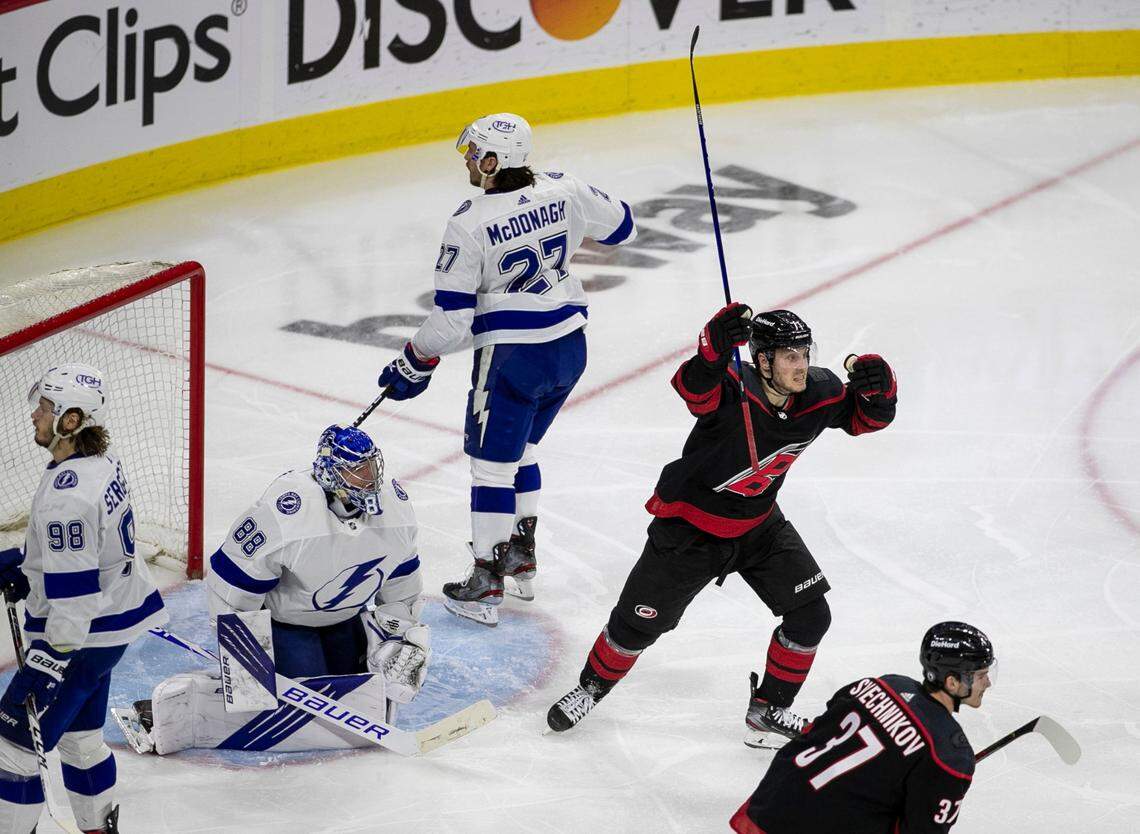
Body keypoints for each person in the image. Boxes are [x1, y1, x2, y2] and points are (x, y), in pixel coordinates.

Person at [546, 305, 898, 746]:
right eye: (789, 356)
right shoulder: (733, 386)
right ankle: (589, 689)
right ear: (762, 360)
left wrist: (881, 391)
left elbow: (869, 420)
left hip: (758, 524)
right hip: (690, 529)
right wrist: (712, 348)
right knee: (636, 626)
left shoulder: (819, 392)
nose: (801, 365)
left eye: (804, 353)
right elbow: (693, 389)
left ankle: (769, 709)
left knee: (811, 615)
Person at [377, 112, 637, 627]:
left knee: (492, 466)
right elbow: (624, 227)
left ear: (495, 160)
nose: (469, 161)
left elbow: (452, 323)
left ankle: (485, 580)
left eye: (475, 153)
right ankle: (520, 558)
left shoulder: (469, 221)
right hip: (569, 349)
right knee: (526, 451)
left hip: (515, 360)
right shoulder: (564, 187)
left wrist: (414, 359)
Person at [114, 424, 430, 755]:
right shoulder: (288, 512)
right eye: (355, 470)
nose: (369, 478)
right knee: (287, 701)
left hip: (346, 618)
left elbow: (402, 581)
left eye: (370, 467)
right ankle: (174, 709)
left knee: (360, 694)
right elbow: (230, 582)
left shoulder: (395, 509)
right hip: (286, 624)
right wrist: (244, 659)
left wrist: (399, 636)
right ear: (328, 474)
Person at [0, 364, 168, 834]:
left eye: (46, 408)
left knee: (11, 751)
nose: (35, 414)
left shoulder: (65, 498)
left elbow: (74, 597)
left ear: (70, 421)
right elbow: (92, 548)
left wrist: (48, 662)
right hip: (111, 626)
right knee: (80, 740)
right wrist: (29, 561)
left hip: (80, 638)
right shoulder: (102, 464)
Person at [730, 622, 994, 834]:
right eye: (981, 676)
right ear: (952, 682)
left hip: (772, 802)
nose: (988, 684)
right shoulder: (949, 753)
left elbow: (823, 727)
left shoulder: (884, 683)